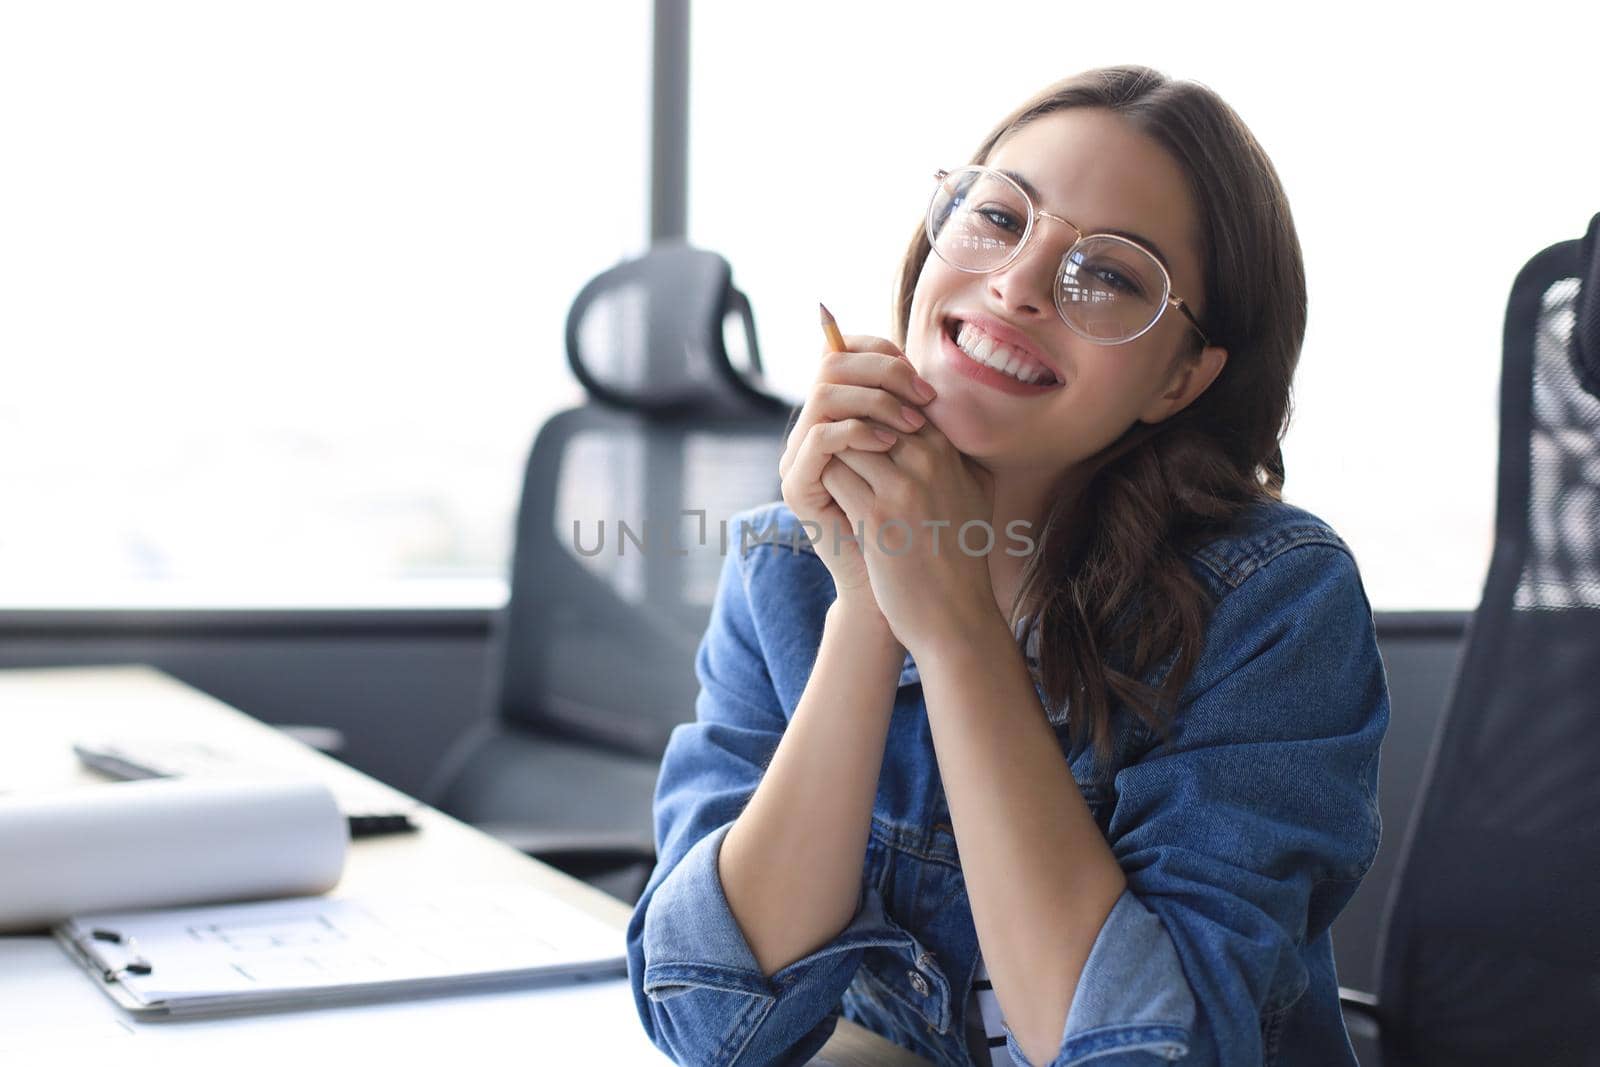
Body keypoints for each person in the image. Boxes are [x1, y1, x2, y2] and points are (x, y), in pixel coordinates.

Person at [625, 64, 1389, 1067]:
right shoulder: (790, 563)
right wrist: (870, 596)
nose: (1018, 283)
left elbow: (1150, 1053)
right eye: (997, 215)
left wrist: (953, 632)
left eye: (1108, 275)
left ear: (1179, 377)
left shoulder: (1276, 603)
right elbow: (712, 1024)